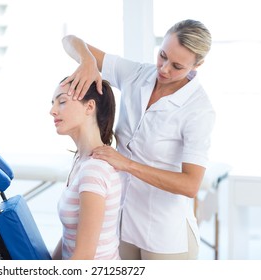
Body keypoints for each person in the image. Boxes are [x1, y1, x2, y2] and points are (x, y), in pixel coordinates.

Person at [61, 19, 215, 260]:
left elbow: (190, 185)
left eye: (177, 66)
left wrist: (127, 164)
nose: (164, 69)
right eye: (162, 55)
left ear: (197, 65)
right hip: (123, 225)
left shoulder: (199, 110)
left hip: (165, 237)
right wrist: (88, 60)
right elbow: (69, 41)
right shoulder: (138, 74)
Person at [50, 77, 122, 260]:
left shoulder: (94, 170)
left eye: (62, 102)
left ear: (89, 107)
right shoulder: (80, 160)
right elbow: (70, 236)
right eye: (53, 103)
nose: (52, 111)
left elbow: (84, 257)